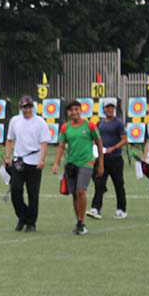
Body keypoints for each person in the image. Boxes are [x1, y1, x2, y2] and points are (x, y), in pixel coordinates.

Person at [52, 100, 104, 235]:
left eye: (77, 109)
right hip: (71, 164)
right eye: (71, 110)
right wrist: (56, 163)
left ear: (81, 110)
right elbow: (61, 146)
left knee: (81, 191)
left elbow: (99, 143)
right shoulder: (65, 128)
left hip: (86, 163)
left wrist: (100, 163)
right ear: (68, 113)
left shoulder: (90, 126)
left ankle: (81, 222)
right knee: (74, 194)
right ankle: (79, 222)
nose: (74, 112)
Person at [4, 96, 50, 232]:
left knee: (33, 193)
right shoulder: (15, 121)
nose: (27, 109)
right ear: (21, 108)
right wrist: (7, 156)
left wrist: (42, 159)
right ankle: (22, 216)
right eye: (25, 107)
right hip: (19, 160)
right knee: (15, 190)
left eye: (30, 107)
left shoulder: (40, 122)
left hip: (34, 160)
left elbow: (44, 142)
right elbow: (9, 140)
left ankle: (31, 222)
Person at [87, 100, 128, 220]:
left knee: (118, 184)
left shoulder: (119, 123)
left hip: (115, 158)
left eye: (111, 107)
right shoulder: (100, 123)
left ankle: (121, 209)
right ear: (103, 109)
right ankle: (96, 208)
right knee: (99, 182)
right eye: (107, 107)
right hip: (102, 158)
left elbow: (124, 139)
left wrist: (114, 148)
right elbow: (96, 138)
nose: (109, 109)